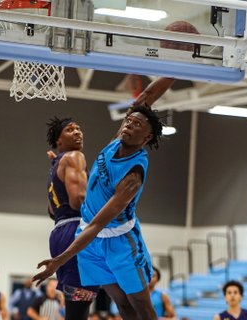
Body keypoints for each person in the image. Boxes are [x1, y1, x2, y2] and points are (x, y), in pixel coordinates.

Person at [33, 77, 175, 320]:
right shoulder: (116, 141)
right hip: (88, 240)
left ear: (147, 137)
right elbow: (144, 99)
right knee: (121, 303)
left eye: (137, 124)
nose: (129, 124)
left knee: (139, 303)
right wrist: (173, 69)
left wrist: (59, 260)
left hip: (116, 239)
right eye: (129, 120)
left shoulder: (133, 175)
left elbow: (97, 224)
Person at [45, 116, 99, 320]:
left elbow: (51, 211)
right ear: (59, 140)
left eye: (79, 128)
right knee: (79, 312)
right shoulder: (75, 157)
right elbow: (78, 200)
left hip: (59, 234)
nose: (78, 132)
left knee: (76, 309)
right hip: (77, 234)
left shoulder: (56, 165)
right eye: (70, 130)